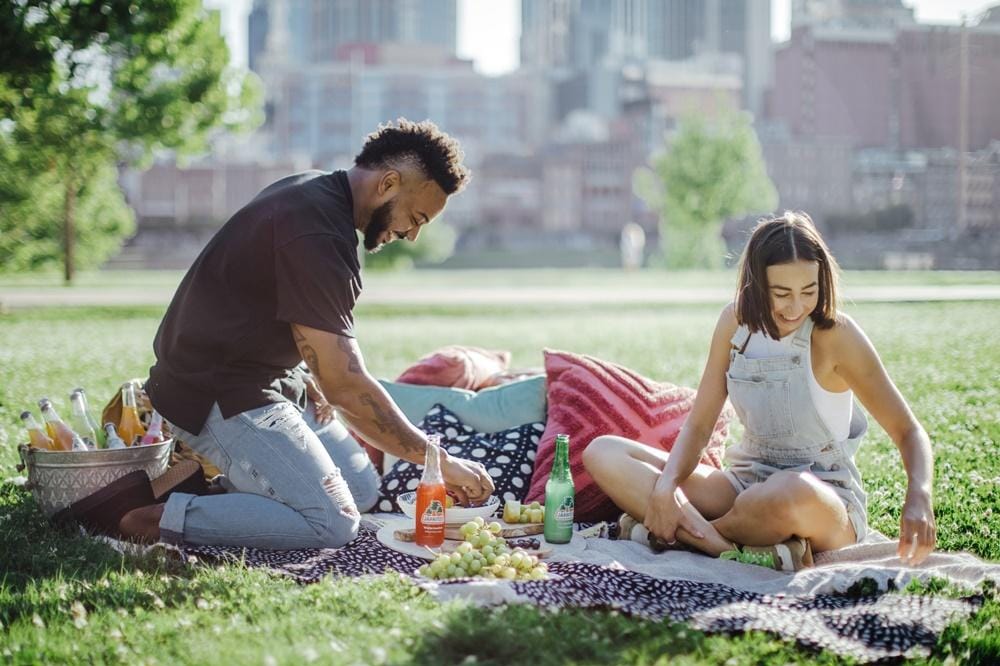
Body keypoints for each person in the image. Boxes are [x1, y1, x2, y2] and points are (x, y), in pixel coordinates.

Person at [118, 119, 495, 547]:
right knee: (332, 523)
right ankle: (157, 518)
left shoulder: (316, 192)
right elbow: (346, 386)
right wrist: (439, 461)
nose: (412, 234)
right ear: (389, 183)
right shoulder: (316, 232)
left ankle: (241, 493)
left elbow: (272, 315)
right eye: (416, 217)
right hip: (216, 394)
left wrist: (308, 373)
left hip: (270, 381)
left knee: (361, 490)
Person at [583, 212, 936, 570]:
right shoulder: (735, 324)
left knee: (787, 492)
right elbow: (699, 426)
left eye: (809, 291)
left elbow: (909, 431)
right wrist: (666, 488)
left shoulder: (837, 336)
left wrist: (919, 495)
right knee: (604, 453)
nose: (796, 307)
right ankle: (731, 545)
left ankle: (688, 535)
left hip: (819, 499)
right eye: (781, 293)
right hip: (744, 483)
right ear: (754, 283)